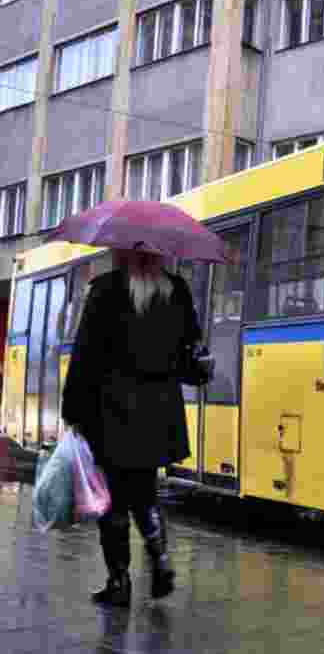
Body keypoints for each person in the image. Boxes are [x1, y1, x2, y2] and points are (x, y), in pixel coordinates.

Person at [61, 249, 202, 607]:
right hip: (159, 413)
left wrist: (73, 410)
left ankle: (119, 580)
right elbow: (189, 360)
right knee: (144, 490)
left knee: (112, 498)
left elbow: (84, 357)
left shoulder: (106, 289)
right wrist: (199, 369)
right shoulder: (176, 291)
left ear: (122, 252)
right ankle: (160, 560)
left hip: (112, 411)